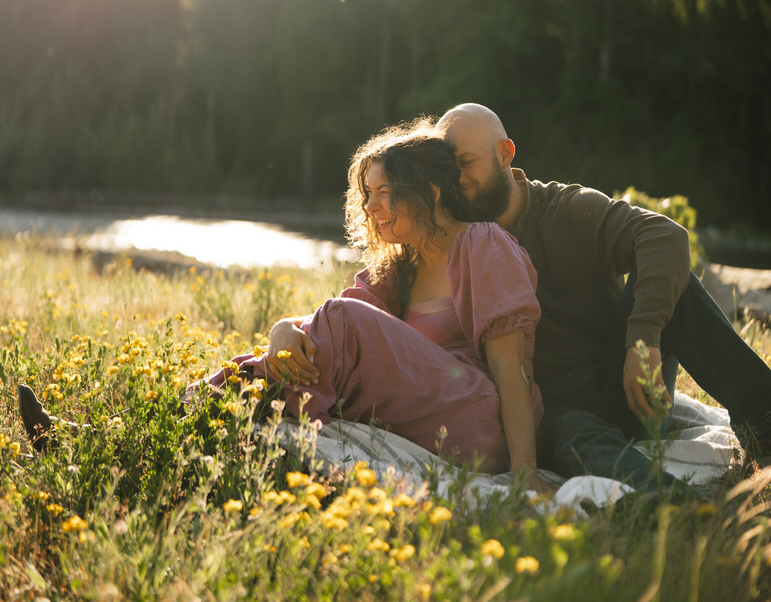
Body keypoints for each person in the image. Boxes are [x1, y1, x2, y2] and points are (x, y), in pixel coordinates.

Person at [20, 125, 551, 494]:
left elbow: (511, 370)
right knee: (299, 345)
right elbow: (331, 337)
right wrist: (281, 330)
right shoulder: (399, 270)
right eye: (367, 194)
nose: (372, 207)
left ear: (432, 192)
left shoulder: (482, 244)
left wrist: (525, 475)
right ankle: (109, 440)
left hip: (483, 423)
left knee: (338, 324)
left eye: (386, 192)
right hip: (429, 417)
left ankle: (124, 438)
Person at [275, 103, 771, 490]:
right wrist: (287, 328)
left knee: (675, 284)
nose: (457, 181)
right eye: (447, 171)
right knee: (575, 436)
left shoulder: (565, 210)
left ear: (505, 154)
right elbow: (356, 310)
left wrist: (642, 339)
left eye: (466, 164)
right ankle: (669, 510)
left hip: (624, 375)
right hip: (545, 403)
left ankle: (766, 421)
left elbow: (665, 238)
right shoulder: (445, 238)